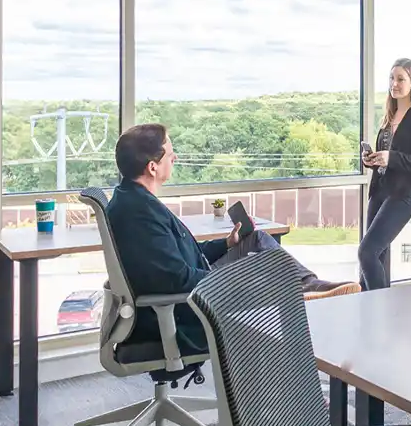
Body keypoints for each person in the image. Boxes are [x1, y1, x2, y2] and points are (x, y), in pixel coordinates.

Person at [104, 123, 357, 356]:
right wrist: (236, 279)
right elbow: (175, 278)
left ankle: (309, 286)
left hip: (198, 281)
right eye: (170, 154)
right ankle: (296, 300)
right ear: (152, 167)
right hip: (186, 309)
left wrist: (226, 244)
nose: (175, 158)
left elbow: (181, 254)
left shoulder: (135, 200)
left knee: (256, 238)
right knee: (271, 305)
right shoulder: (139, 213)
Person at [357, 58, 411, 290]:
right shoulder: (389, 117)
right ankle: (372, 313)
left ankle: (380, 305)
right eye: (392, 78)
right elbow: (387, 158)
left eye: (401, 79)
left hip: (406, 191)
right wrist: (373, 160)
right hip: (382, 187)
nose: (395, 84)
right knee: (376, 256)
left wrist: (391, 158)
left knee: (367, 252)